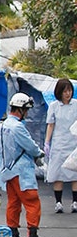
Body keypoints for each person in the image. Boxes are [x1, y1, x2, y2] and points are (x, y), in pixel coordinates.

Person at [0, 92, 50, 237]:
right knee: (32, 202)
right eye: (26, 109)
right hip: (22, 172)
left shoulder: (4, 125)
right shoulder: (18, 127)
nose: (27, 112)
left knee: (13, 202)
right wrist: (40, 153)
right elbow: (30, 147)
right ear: (20, 109)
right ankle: (32, 235)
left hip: (8, 171)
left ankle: (13, 233)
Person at [44, 77, 77, 212]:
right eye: (64, 91)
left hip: (74, 142)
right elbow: (50, 125)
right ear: (59, 92)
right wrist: (47, 142)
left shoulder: (76, 104)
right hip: (58, 143)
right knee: (58, 173)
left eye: (69, 90)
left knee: (75, 172)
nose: (67, 94)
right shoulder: (54, 106)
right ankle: (58, 202)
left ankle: (75, 202)